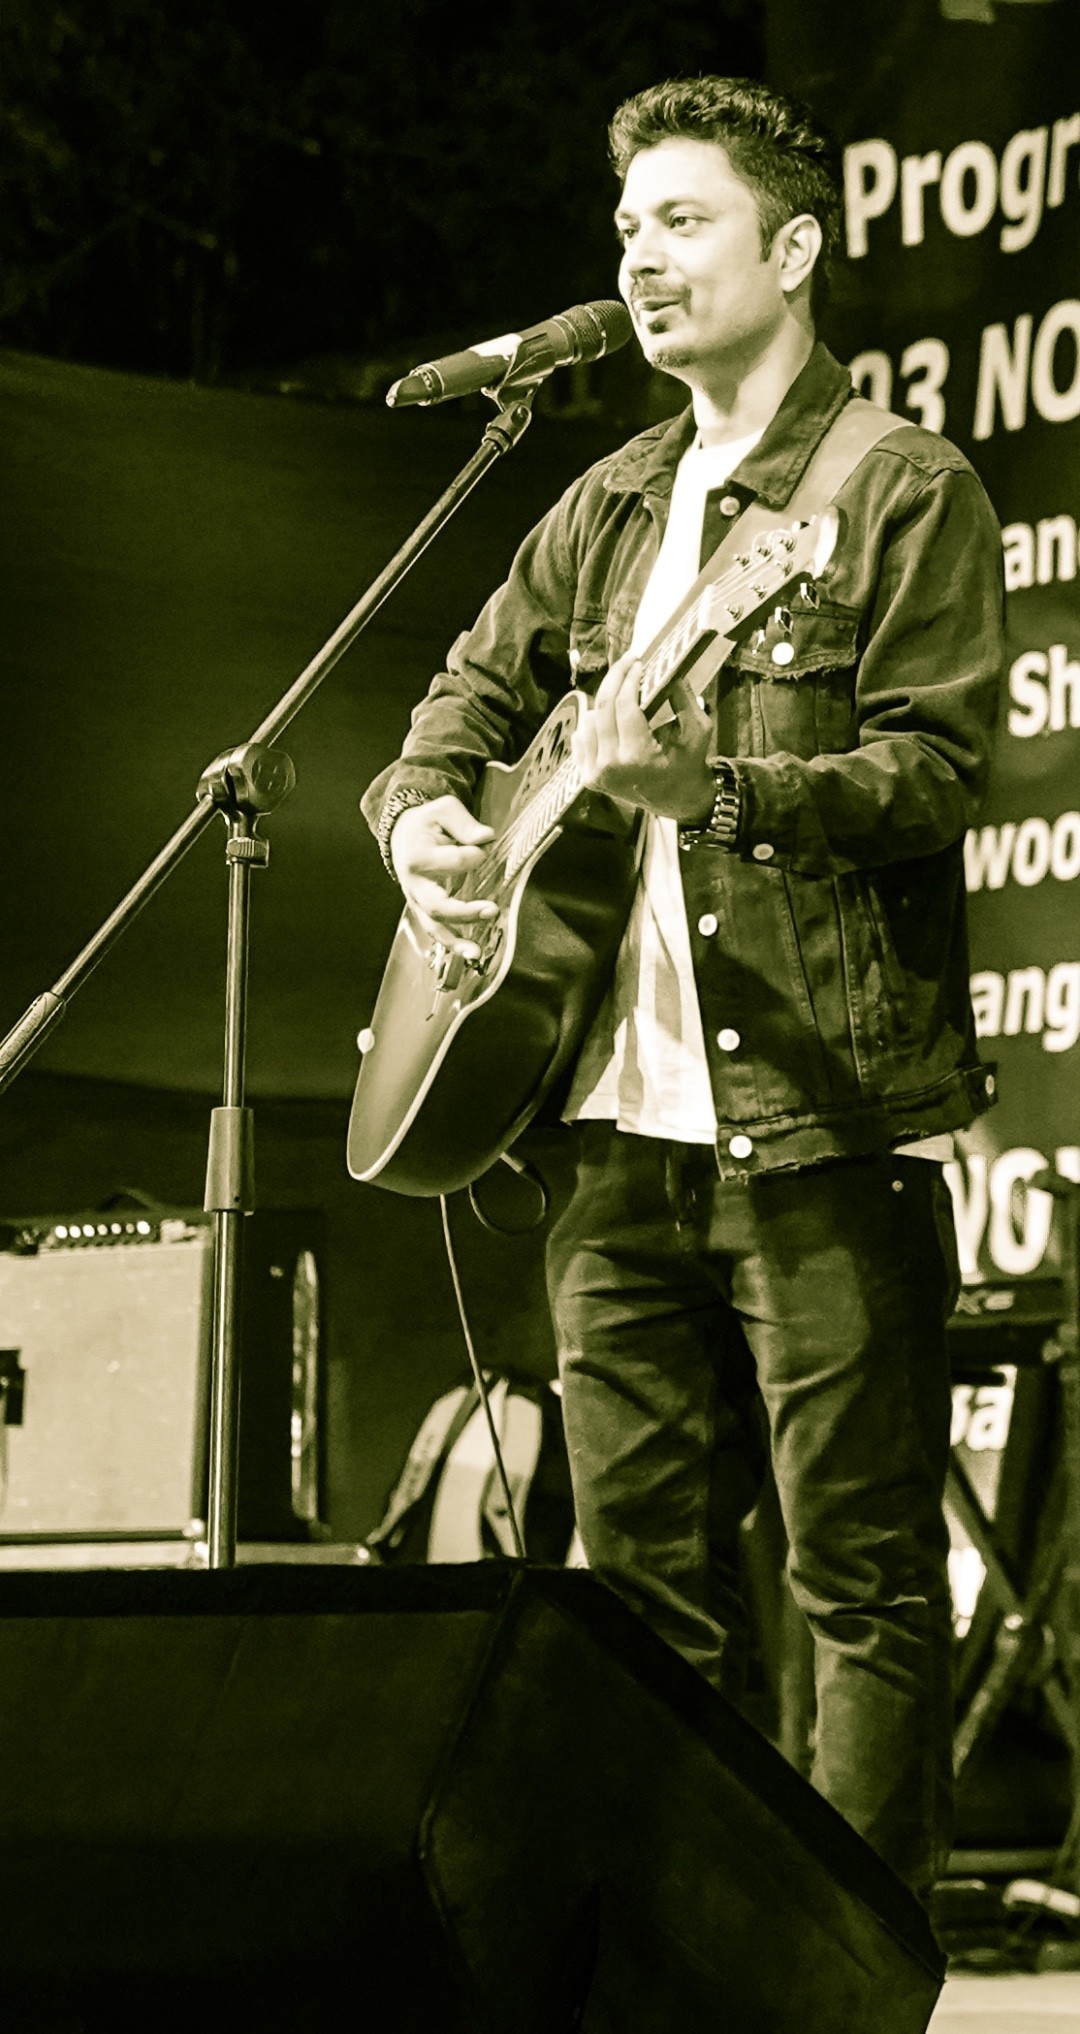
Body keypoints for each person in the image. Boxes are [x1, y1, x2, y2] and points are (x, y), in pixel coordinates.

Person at [362, 75, 1004, 1904]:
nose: (641, 257)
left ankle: (848, 1980)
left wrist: (707, 790)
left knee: (858, 1581)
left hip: (822, 1125)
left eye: (684, 219)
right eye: (628, 225)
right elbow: (452, 713)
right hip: (606, 1134)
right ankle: (671, 1964)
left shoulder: (893, 489)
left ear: (791, 250)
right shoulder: (607, 499)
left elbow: (935, 774)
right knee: (635, 1593)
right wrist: (421, 822)